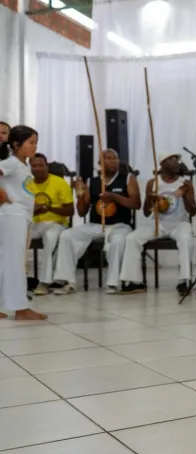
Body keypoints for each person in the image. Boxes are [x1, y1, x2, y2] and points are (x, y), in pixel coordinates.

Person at [53, 149, 141, 295]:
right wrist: (80, 194)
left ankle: (114, 283)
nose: (113, 161)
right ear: (100, 163)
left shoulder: (128, 178)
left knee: (119, 240)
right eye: (108, 158)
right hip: (95, 225)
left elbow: (136, 204)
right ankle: (67, 280)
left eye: (115, 158)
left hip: (120, 225)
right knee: (67, 235)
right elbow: (82, 212)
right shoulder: (91, 181)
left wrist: (114, 196)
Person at [118, 153, 196, 295]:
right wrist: (150, 198)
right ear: (163, 164)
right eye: (172, 160)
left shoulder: (185, 183)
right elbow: (147, 213)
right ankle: (134, 281)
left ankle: (185, 280)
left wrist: (185, 195)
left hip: (179, 223)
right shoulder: (152, 183)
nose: (177, 162)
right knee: (132, 238)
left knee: (186, 238)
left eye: (178, 160)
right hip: (158, 224)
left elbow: (193, 211)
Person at [0, 126, 47, 320]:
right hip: (12, 216)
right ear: (16, 144)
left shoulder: (22, 165)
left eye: (36, 142)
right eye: (31, 142)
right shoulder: (11, 162)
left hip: (20, 216)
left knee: (7, 261)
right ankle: (20, 308)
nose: (35, 147)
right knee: (15, 262)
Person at [29, 153, 74, 295]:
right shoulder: (27, 184)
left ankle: (44, 282)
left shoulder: (59, 182)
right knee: (13, 235)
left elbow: (70, 210)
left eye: (41, 165)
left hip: (57, 223)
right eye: (34, 166)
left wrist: (48, 208)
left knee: (50, 237)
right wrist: (33, 210)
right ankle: (15, 279)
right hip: (35, 224)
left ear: (47, 166)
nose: (37, 168)